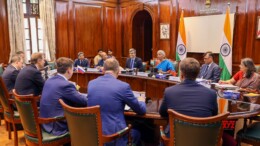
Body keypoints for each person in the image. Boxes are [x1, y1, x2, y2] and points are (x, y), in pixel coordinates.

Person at [87, 58, 146, 146]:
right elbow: (141, 111)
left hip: (93, 134)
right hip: (114, 137)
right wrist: (141, 101)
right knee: (137, 133)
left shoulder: (91, 83)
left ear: (103, 70)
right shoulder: (123, 86)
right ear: (118, 71)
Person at [40, 57, 88, 136]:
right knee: (89, 120)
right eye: (73, 69)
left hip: (45, 122)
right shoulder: (66, 85)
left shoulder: (49, 80)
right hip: (56, 125)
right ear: (69, 70)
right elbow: (83, 101)